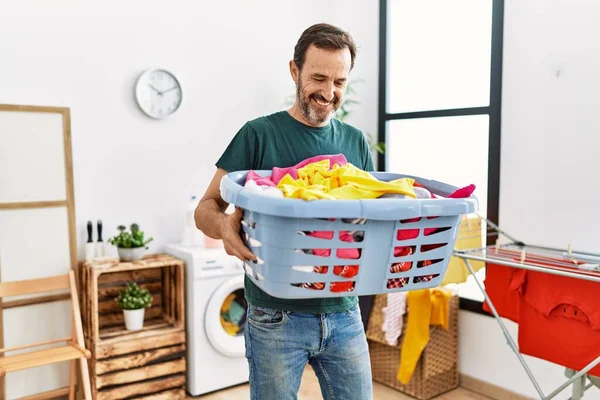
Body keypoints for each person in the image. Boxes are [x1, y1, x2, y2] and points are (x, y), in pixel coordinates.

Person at [195, 23, 374, 400]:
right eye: (319, 78)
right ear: (294, 71)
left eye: (340, 82)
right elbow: (206, 209)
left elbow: (370, 218)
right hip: (276, 317)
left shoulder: (355, 142)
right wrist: (226, 226)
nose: (329, 93)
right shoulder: (258, 134)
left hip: (344, 311)